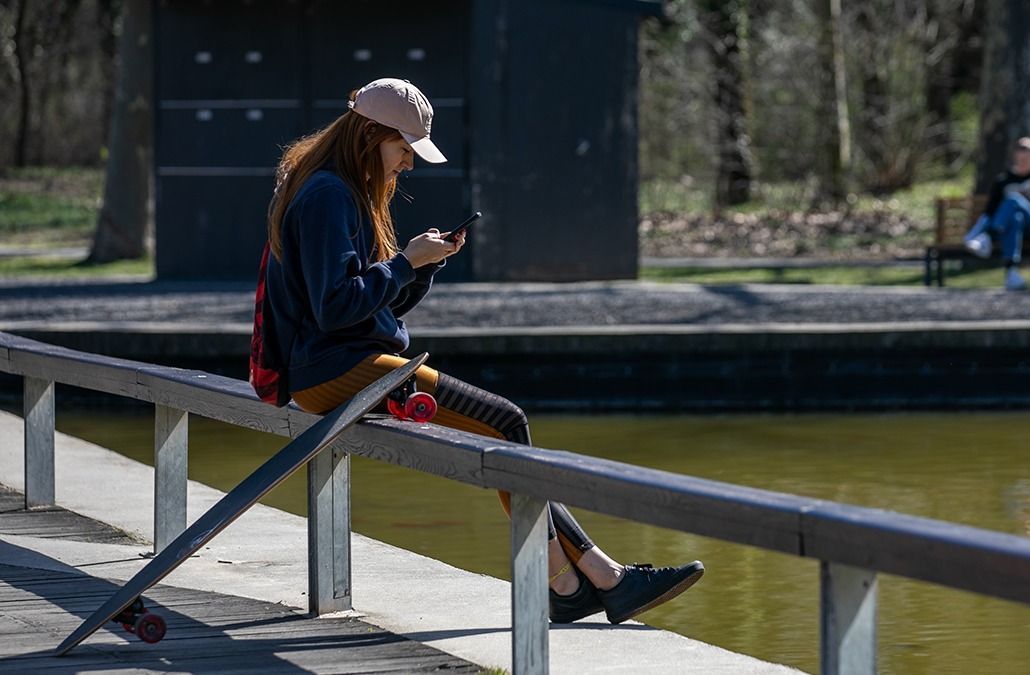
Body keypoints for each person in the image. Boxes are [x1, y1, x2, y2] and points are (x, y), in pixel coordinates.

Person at [258, 78, 703, 625]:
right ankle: (593, 579)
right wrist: (403, 263)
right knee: (505, 422)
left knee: (503, 426)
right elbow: (334, 307)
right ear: (369, 135)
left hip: (348, 363)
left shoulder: (342, 189)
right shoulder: (329, 194)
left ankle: (571, 582)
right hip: (334, 371)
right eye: (403, 150)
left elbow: (374, 312)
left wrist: (425, 265)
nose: (408, 166)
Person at [963, 137, 1030, 291]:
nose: (1024, 155)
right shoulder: (1003, 181)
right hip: (1009, 228)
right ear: (1015, 155)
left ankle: (988, 237)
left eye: (1028, 151)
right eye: (1020, 150)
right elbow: (990, 211)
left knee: (1013, 199)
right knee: (1016, 218)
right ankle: (1012, 273)